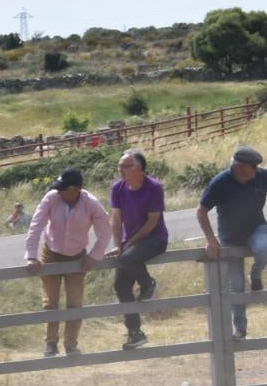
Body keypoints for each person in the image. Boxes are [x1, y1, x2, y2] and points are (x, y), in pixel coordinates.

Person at [24, 168, 112, 357]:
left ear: (77, 189)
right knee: (50, 302)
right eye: (59, 188)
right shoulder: (51, 198)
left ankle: (71, 344)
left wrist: (94, 256)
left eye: (64, 188)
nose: (60, 191)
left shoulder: (92, 204)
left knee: (74, 303)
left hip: (77, 257)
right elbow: (36, 226)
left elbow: (105, 233)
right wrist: (32, 255)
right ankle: (50, 343)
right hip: (51, 253)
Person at [197, 146, 267, 339]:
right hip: (230, 238)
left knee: (264, 249)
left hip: (256, 228)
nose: (257, 169)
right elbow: (201, 211)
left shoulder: (262, 176)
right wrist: (211, 239)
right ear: (240, 167)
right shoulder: (220, 183)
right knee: (237, 285)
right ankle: (240, 329)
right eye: (253, 166)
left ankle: (256, 273)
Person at [108, 150, 166, 350]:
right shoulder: (118, 188)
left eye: (125, 166)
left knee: (129, 258)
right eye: (120, 166)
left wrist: (128, 245)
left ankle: (148, 283)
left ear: (138, 168)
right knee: (120, 285)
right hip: (128, 243)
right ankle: (135, 332)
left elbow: (152, 222)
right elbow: (116, 218)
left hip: (155, 239)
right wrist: (118, 244)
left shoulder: (154, 187)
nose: (120, 169)